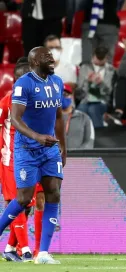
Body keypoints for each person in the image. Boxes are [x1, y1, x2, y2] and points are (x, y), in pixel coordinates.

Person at [0, 46, 66, 265]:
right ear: (35, 62)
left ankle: (43, 253)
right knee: (23, 199)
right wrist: (37, 137)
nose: (51, 59)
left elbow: (58, 116)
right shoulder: (23, 84)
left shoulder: (57, 83)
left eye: (51, 55)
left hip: (49, 149)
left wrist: (64, 147)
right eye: (46, 57)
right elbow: (16, 119)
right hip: (27, 149)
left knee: (53, 194)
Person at [0, 57, 34, 263]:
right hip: (10, 158)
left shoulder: (34, 102)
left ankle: (11, 247)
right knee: (16, 201)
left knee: (26, 204)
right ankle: (26, 249)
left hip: (29, 159)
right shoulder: (6, 102)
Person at [76, 46, 116, 128]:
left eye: (102, 59)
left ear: (106, 58)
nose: (99, 61)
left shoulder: (110, 70)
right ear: (93, 56)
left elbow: (109, 92)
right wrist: (88, 81)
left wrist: (101, 83)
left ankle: (99, 136)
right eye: (97, 58)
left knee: (93, 109)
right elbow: (79, 91)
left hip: (103, 101)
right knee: (81, 110)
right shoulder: (84, 68)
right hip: (86, 99)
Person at [62, 85, 95, 149]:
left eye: (65, 95)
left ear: (72, 97)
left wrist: (77, 155)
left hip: (78, 157)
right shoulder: (48, 118)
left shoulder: (84, 118)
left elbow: (89, 142)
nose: (62, 98)